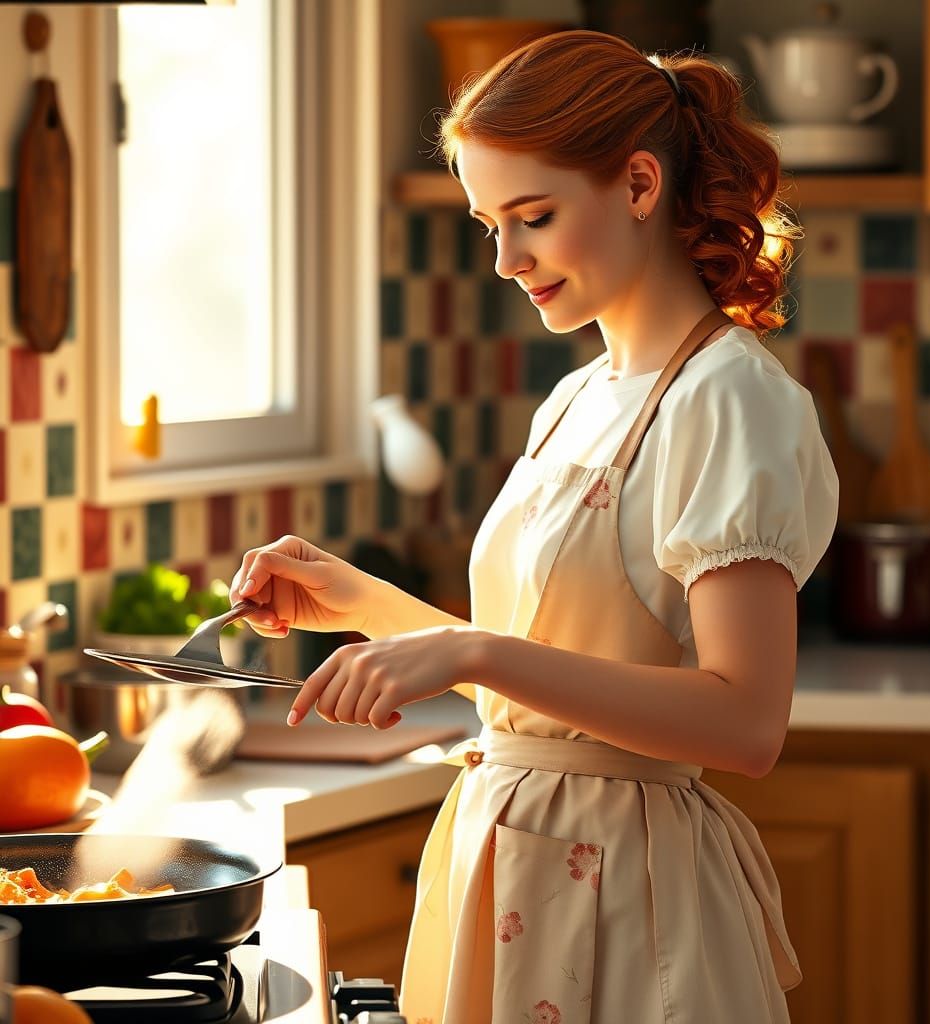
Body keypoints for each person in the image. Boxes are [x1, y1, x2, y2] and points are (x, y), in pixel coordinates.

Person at [231, 29, 839, 1024]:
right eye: (488, 225)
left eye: (534, 217)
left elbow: (744, 722)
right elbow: (544, 672)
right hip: (512, 859)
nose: (507, 260)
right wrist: (360, 601)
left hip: (635, 899)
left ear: (639, 185)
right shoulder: (577, 398)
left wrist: (471, 648)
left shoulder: (731, 400)